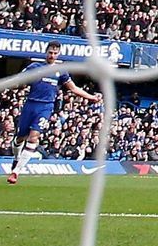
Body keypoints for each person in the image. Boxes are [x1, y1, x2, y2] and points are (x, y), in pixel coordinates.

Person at [6, 42, 100, 184]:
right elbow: (20, 82)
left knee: (33, 137)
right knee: (20, 138)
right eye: (50, 52)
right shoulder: (35, 67)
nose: (52, 55)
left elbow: (73, 88)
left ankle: (16, 172)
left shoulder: (60, 71)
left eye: (55, 53)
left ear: (58, 54)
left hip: (46, 108)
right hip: (30, 105)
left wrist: (91, 97)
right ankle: (16, 158)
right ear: (46, 52)